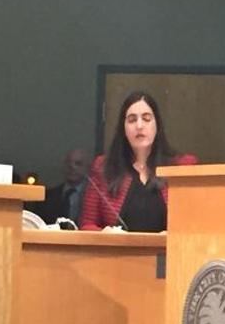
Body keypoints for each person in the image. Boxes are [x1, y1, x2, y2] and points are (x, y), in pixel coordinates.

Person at [79, 91, 197, 232]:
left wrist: (174, 235)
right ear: (123, 128)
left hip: (168, 253)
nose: (139, 126)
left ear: (157, 125)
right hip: (118, 252)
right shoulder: (103, 167)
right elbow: (87, 224)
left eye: (146, 119)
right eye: (132, 120)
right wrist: (105, 235)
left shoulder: (182, 166)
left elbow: (196, 224)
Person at [36, 148, 89, 224]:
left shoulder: (92, 198)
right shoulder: (47, 196)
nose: (72, 167)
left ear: (87, 167)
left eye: (78, 163)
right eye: (68, 163)